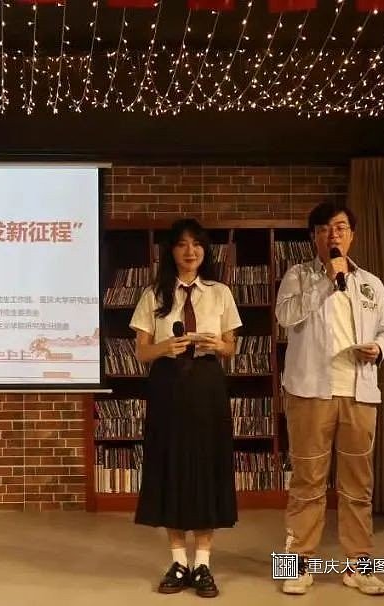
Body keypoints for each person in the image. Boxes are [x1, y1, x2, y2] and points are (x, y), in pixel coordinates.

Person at [275, 202, 384, 596]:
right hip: (310, 391)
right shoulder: (298, 276)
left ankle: (359, 567)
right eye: (325, 228)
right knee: (306, 481)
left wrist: (379, 348)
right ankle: (294, 567)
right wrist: (326, 281)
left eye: (341, 227)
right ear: (314, 236)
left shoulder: (370, 283)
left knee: (358, 484)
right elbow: (285, 317)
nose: (334, 235)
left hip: (359, 392)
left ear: (352, 235)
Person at [129, 218, 242, 597]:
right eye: (182, 244)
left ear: (205, 250)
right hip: (168, 384)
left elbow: (231, 346)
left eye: (196, 244)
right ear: (171, 251)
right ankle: (178, 561)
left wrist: (217, 345)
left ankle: (203, 563)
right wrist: (164, 348)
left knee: (206, 466)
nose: (190, 251)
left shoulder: (219, 292)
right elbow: (141, 352)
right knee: (171, 466)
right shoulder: (153, 294)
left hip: (207, 384)